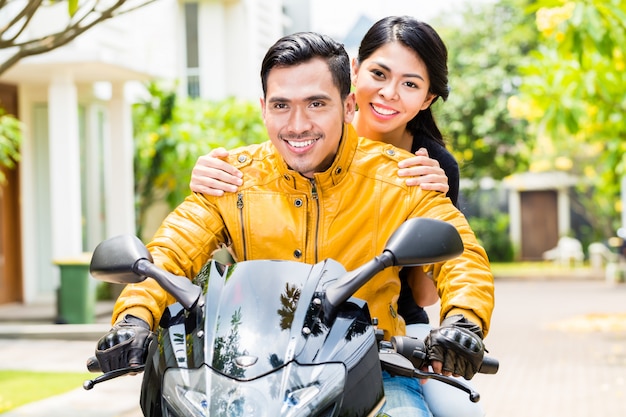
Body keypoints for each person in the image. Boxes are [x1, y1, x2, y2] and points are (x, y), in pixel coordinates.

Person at [94, 31, 494, 417]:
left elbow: (463, 255)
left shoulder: (401, 177)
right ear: (263, 107)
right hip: (243, 373)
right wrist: (134, 318)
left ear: (349, 106)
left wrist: (465, 321)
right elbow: (171, 249)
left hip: (373, 369)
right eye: (282, 105)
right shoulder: (232, 178)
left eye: (317, 104)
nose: (298, 124)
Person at [189, 16, 459, 327]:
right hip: (282, 328)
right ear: (355, 72)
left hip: (387, 324)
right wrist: (213, 181)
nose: (389, 92)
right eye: (379, 74)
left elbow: (427, 294)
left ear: (428, 98)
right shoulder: (299, 140)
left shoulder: (427, 169)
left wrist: (431, 205)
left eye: (410, 83)